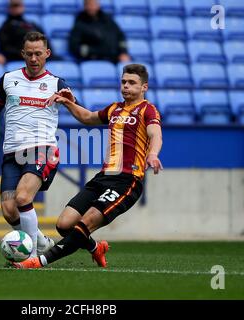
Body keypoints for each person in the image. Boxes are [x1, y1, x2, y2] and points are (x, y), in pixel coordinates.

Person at [11, 64, 163, 269]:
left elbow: (155, 134)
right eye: (124, 82)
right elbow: (88, 117)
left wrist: (152, 154)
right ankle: (95, 248)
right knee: (64, 225)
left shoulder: (148, 110)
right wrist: (68, 102)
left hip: (127, 181)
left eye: (132, 83)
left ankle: (38, 261)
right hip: (103, 177)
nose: (126, 86)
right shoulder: (114, 108)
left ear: (144, 87)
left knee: (86, 223)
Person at [0, 32, 75, 257]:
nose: (33, 58)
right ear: (22, 53)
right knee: (9, 211)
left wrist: (69, 98)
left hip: (43, 149)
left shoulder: (57, 83)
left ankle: (31, 258)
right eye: (29, 54)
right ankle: (41, 241)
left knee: (22, 198)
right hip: (12, 152)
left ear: (47, 54)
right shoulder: (8, 79)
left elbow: (76, 105)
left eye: (38, 53)